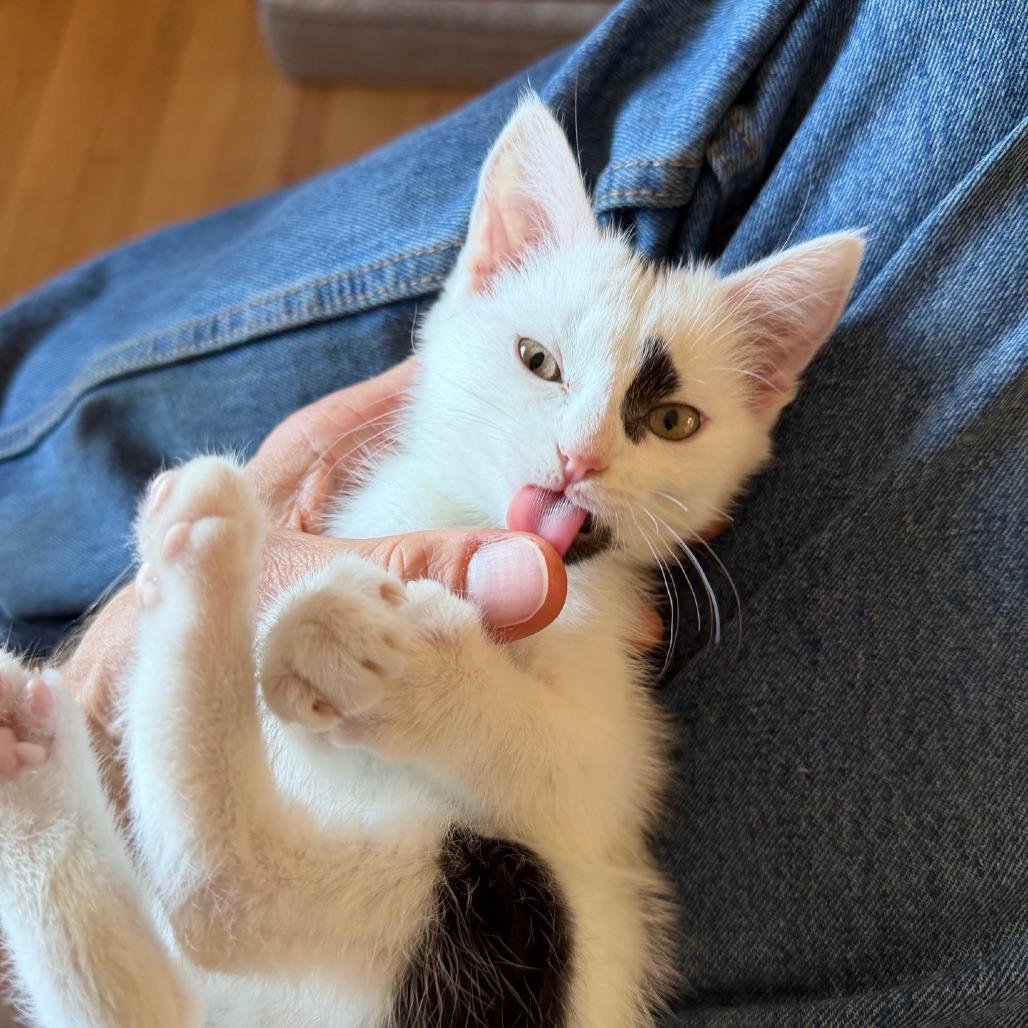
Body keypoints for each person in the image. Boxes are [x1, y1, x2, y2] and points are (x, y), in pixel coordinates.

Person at [1, 0, 1025, 1024]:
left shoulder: (588, 597)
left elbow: (572, 790)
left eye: (665, 417)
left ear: (756, 401)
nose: (582, 450)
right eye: (539, 361)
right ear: (480, 277)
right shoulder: (416, 503)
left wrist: (433, 682)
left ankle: (59, 836)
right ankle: (118, 842)